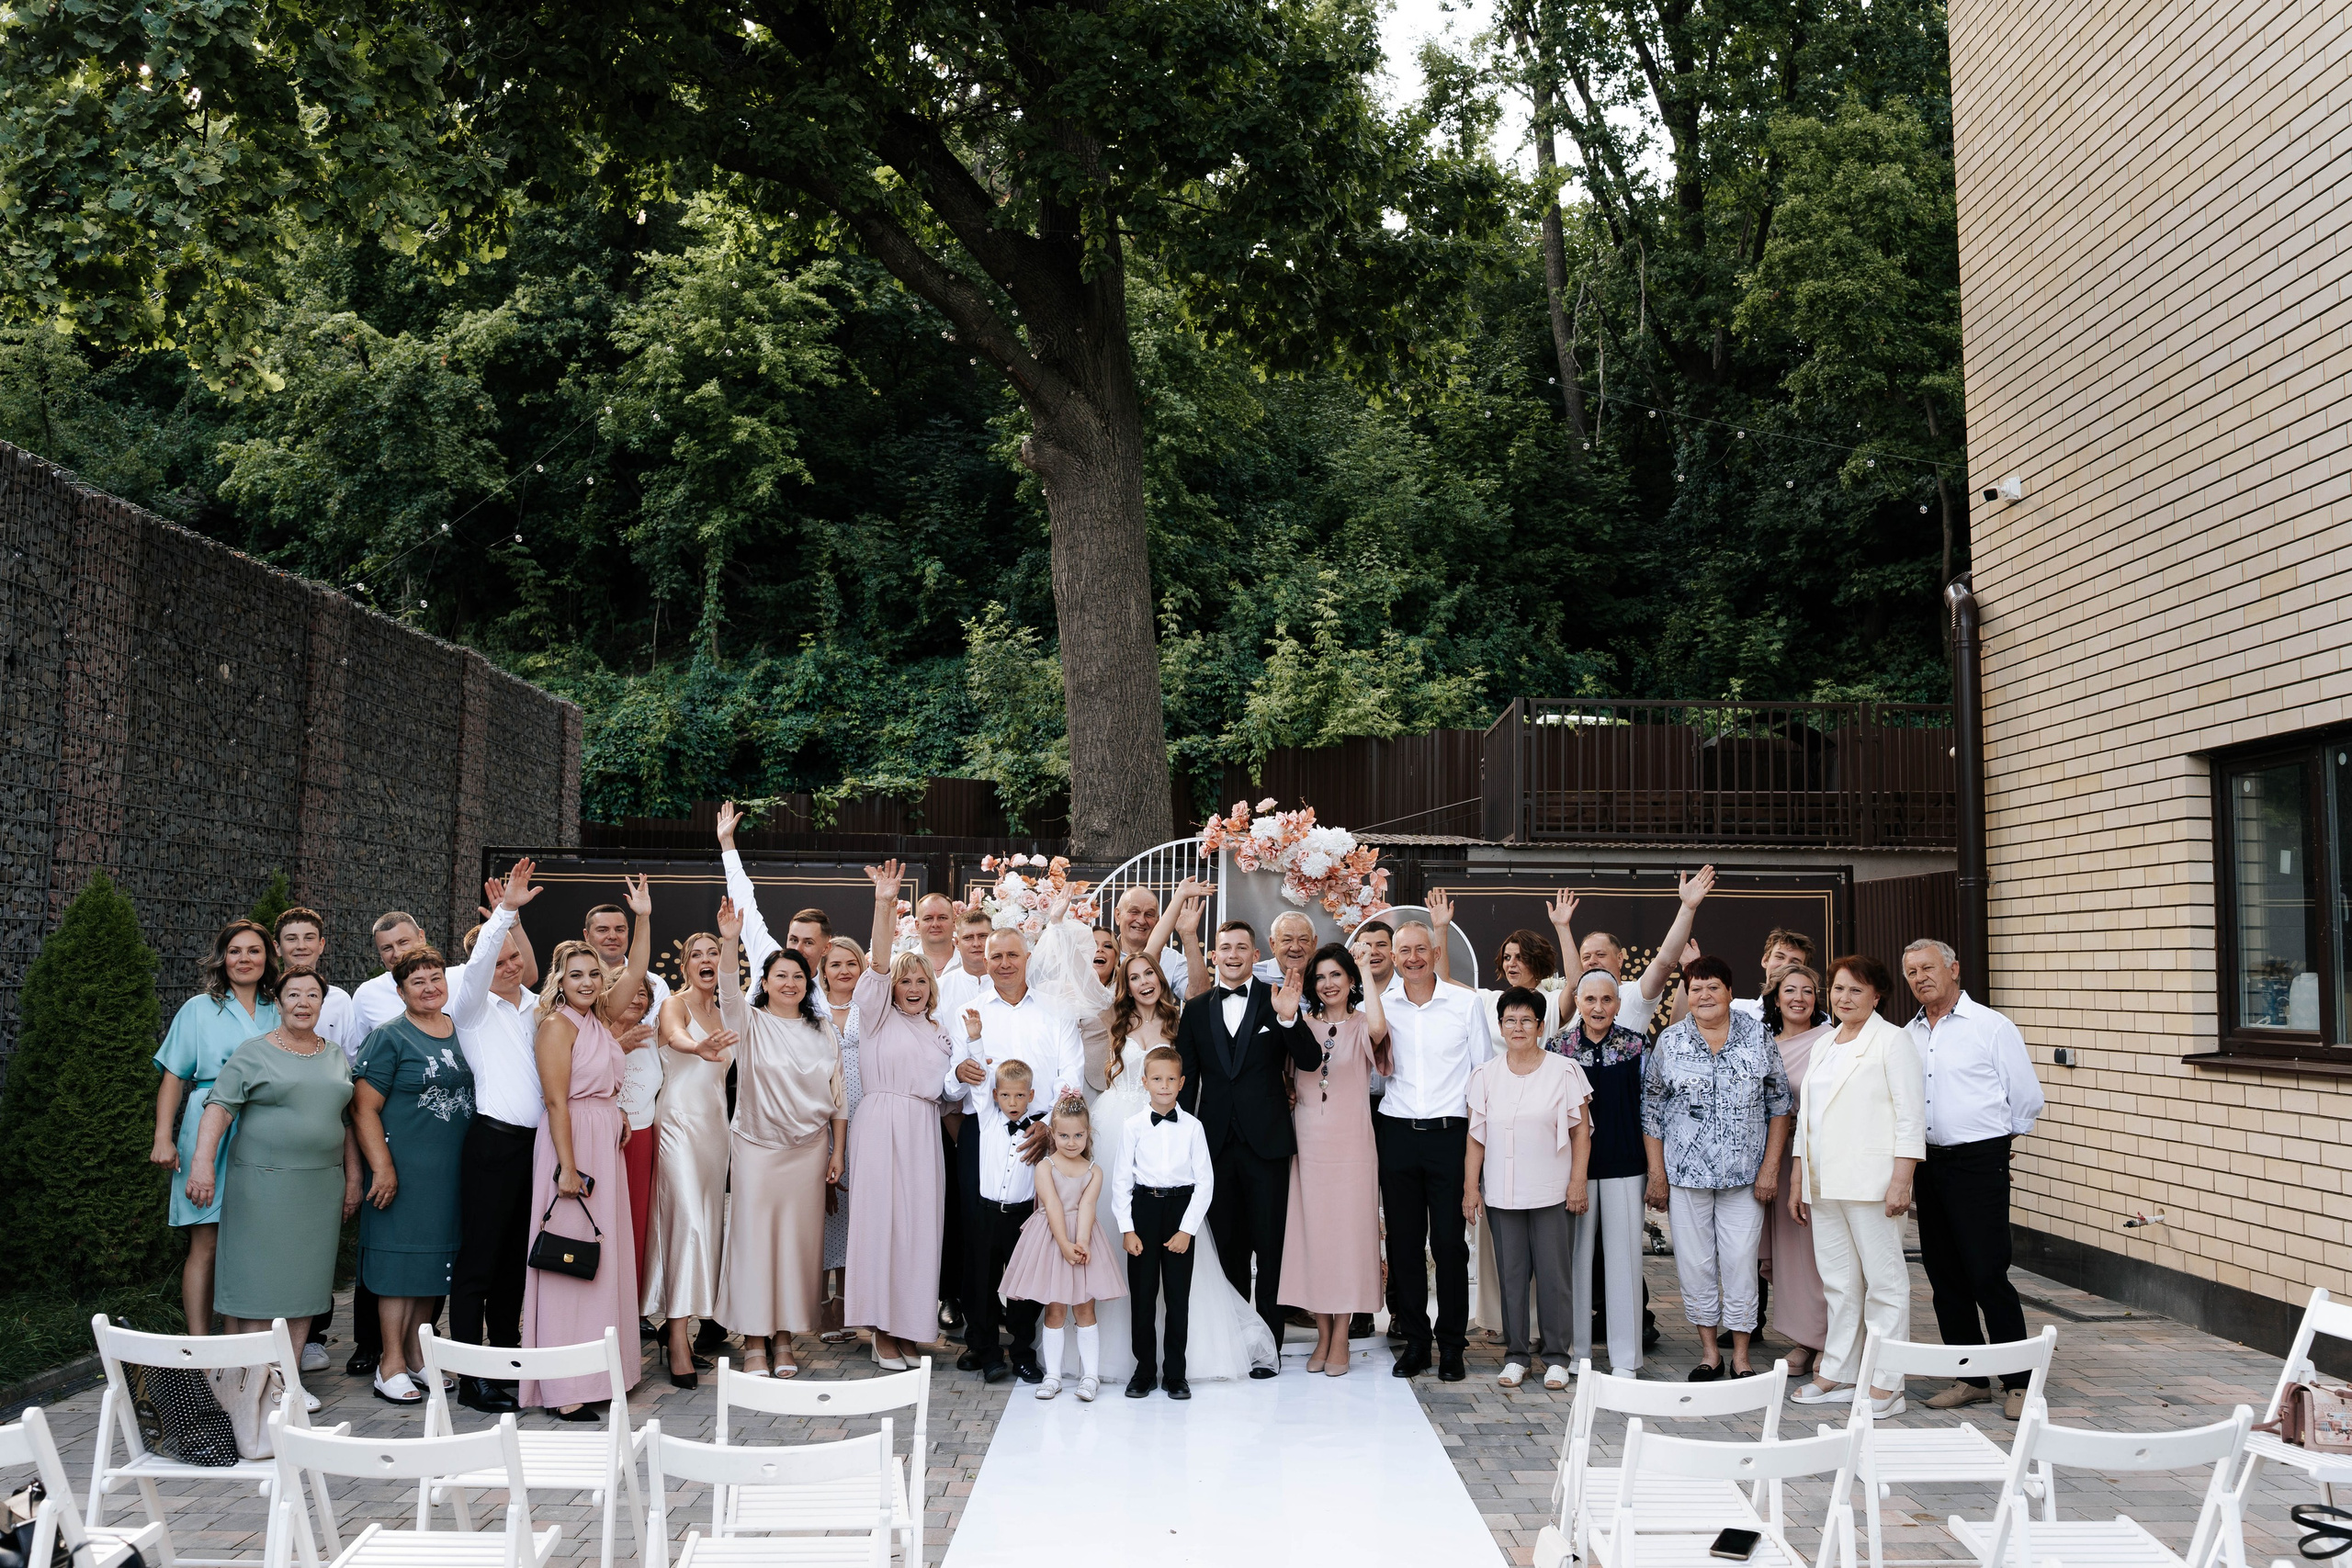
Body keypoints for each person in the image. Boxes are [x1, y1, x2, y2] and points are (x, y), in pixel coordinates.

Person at [1075, 945, 1274, 1384]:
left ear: (1161, 979)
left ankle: (1180, 1363)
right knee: (1117, 1233)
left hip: (1168, 1129)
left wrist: (1187, 933)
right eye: (1134, 977)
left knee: (1178, 1256)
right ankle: (1122, 1355)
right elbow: (1076, 988)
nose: (1144, 982)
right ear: (1124, 986)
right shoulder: (1114, 1019)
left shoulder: (1178, 1021)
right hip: (1118, 1124)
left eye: (1150, 973)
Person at [1900, 938, 2045, 1420]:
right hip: (1928, 1163)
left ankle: (2019, 1382)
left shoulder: (1991, 1027)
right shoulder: (1910, 1033)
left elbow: (2025, 1098)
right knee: (1944, 1275)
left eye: (1928, 968)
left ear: (1954, 969)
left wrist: (1995, 1145)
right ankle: (1971, 1378)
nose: (1920, 977)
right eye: (1911, 972)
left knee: (1987, 1272)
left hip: (1979, 1162)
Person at [523, 875, 651, 1416]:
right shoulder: (557, 1025)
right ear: (560, 979)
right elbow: (556, 1102)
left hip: (604, 1141)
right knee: (568, 1262)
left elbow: (639, 970)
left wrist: (643, 916)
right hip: (571, 1147)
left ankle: (602, 1374)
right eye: (574, 973)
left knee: (602, 1258)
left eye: (591, 973)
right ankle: (566, 1387)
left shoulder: (598, 1017)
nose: (584, 980)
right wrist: (567, 1169)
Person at [181, 968, 360, 1346]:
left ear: (322, 1005)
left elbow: (345, 1121)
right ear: (278, 1003)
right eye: (293, 995)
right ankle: (256, 1381)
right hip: (262, 1188)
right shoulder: (255, 1051)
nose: (303, 1003)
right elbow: (220, 1107)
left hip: (320, 1189)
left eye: (313, 995)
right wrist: (202, 1164)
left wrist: (354, 1178)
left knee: (306, 1288)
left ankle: (286, 1383)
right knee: (258, 1288)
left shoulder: (334, 1055)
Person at [1642, 953, 1792, 1380]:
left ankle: (1741, 1355)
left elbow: (1779, 1104)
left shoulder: (1757, 1036)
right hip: (1685, 1177)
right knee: (1695, 1263)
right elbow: (1651, 1110)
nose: (1704, 994)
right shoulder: (1670, 1042)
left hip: (1745, 1177)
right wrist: (1657, 1175)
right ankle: (1710, 1353)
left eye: (1712, 987)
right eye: (1695, 988)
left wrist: (1769, 1169)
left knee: (1741, 1261)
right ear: (1686, 995)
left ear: (1729, 992)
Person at [713, 901, 845, 1379]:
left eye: (798, 976)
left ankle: (785, 1339)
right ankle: (753, 1342)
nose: (789, 982)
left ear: (808, 983)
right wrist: (730, 941)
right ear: (765, 983)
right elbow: (728, 991)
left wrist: (838, 1153)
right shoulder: (747, 1024)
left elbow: (839, 1100)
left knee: (795, 1246)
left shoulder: (822, 1031)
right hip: (756, 1149)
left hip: (809, 1153)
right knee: (753, 1242)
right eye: (779, 976)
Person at [1790, 955, 1924, 1417]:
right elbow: (1807, 1116)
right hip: (1825, 1182)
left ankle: (1889, 1383)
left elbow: (1911, 1116)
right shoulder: (1826, 1042)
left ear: (1876, 996)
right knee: (1839, 1283)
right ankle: (1840, 1371)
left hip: (1873, 1184)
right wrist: (1799, 1177)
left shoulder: (1893, 1041)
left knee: (1885, 1283)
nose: (1843, 998)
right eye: (1838, 989)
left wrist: (1902, 1179)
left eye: (1855, 990)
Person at [1172, 919, 1307, 1371]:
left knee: (1270, 1250)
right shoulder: (1194, 1010)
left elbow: (1308, 1058)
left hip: (1267, 1144)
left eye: (1241, 947)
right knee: (1227, 1251)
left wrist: (1289, 1017)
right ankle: (1235, 1343)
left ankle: (1269, 1349)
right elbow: (1186, 1084)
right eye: (1224, 946)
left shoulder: (1277, 1002)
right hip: (1214, 1147)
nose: (1232, 954)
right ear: (1214, 955)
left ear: (1255, 955)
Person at [446, 862, 554, 1414]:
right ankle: (470, 1376)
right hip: (492, 1144)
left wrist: (515, 924)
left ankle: (507, 1365)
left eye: (516, 959)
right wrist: (505, 914)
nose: (510, 967)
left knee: (515, 1262)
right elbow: (485, 957)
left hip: (537, 1150)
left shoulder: (539, 1007)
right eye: (500, 960)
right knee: (479, 1263)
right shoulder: (470, 1007)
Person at [843, 861, 956, 1371]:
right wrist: (885, 904)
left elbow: (949, 1092)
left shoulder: (939, 1032)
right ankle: (881, 1331)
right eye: (904, 980)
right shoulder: (875, 1016)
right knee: (881, 1226)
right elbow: (881, 962)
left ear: (931, 987)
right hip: (880, 1125)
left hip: (923, 1131)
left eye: (920, 981)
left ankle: (911, 1327)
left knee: (919, 1229)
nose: (911, 986)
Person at [352, 949, 475, 1404]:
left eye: (435, 979)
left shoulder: (463, 1032)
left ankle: (418, 1357)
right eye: (417, 981)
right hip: (402, 1175)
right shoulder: (389, 1037)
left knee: (432, 1267)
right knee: (397, 1267)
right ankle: (390, 1364)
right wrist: (382, 1167)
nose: (429, 987)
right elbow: (363, 1107)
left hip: (451, 1174)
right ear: (401, 991)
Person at [153, 918, 280, 1335]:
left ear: (268, 957)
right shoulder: (199, 1008)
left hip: (264, 1128)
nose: (244, 959)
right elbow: (174, 1076)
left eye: (254, 950)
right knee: (205, 1243)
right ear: (222, 958)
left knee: (252, 1244)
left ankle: (240, 1345)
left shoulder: (279, 1007)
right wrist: (163, 1138)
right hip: (207, 1127)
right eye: (235, 951)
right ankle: (200, 1348)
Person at [1465, 987, 1593, 1391]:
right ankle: (1517, 1355)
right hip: (1502, 1193)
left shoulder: (1564, 1070)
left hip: (1553, 1191)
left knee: (1555, 1277)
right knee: (1512, 1275)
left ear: (1540, 1026)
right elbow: (1475, 1138)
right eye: (1509, 1020)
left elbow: (1581, 1133)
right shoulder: (1485, 1075)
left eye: (1526, 1020)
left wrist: (1577, 1182)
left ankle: (1557, 1356)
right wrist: (1472, 1187)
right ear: (1500, 1026)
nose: (1517, 1027)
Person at [1379, 920, 1487, 1382]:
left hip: (1449, 1134)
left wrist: (1474, 1164)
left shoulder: (1465, 1005)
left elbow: (1482, 1080)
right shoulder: (1380, 1006)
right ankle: (1416, 1343)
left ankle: (1452, 1347)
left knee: (1448, 1245)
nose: (1414, 958)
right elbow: (1369, 1076)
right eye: (1405, 951)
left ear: (1435, 951)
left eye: (1421, 949)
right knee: (1403, 1246)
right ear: (1395, 956)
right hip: (1397, 1132)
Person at [1276, 942, 1390, 1375]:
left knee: (1348, 1240)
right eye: (1320, 977)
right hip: (1308, 1146)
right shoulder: (1299, 1024)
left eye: (1336, 976)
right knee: (1314, 1240)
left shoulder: (1364, 1023)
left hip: (1354, 1148)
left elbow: (1379, 1029)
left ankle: (1341, 1334)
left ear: (1351, 981)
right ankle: (1322, 1334)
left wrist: (1365, 964)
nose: (1327, 984)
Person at [644, 929, 737, 1388]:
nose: (704, 959)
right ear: (684, 966)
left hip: (716, 1131)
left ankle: (687, 1326)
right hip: (678, 1123)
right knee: (688, 1225)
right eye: (695, 954)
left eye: (712, 953)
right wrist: (698, 1047)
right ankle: (677, 1338)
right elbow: (676, 1037)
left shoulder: (726, 1010)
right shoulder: (673, 1005)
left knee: (709, 1225)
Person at [344, 908, 431, 1375]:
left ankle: (419, 1351)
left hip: (438, 1143)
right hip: (391, 1135)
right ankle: (373, 1348)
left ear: (422, 936)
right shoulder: (371, 998)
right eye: (386, 949)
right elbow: (363, 1079)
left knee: (431, 1250)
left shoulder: (449, 988)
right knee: (386, 1246)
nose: (396, 953)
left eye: (403, 942)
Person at [1551, 970, 1649, 1377]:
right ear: (1577, 1001)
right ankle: (1577, 1353)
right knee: (1574, 1259)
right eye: (1589, 999)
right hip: (1572, 1167)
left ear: (1618, 1003)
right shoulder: (1559, 1047)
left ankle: (1626, 1358)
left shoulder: (1636, 1045)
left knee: (1624, 1260)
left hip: (1624, 1165)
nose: (1597, 1008)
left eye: (1606, 1000)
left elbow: (1650, 1106)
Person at [1001, 1093, 1127, 1403]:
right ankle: (1053, 1375)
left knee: (1085, 1307)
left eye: (1078, 1136)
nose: (1071, 1142)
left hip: (1082, 1239)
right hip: (1051, 1239)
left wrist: (1082, 1242)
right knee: (1054, 1308)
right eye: (1064, 1136)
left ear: (1088, 1134)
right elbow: (1052, 1204)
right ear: (1053, 1134)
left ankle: (1090, 1376)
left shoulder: (1094, 1171)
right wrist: (1064, 1244)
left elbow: (1087, 1206)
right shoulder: (1045, 1166)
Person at [1114, 1046, 1216, 1400]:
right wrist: (1127, 1228)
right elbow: (1121, 1180)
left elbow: (1205, 1182)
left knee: (1177, 1298)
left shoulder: (1193, 1127)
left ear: (1183, 1082)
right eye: (1157, 1079)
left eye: (1172, 1079)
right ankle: (1143, 1372)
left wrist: (1188, 1229)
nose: (1164, 1085)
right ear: (1144, 1082)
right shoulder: (1133, 1126)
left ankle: (1175, 1373)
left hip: (1180, 1211)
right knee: (1142, 1298)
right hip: (1144, 1210)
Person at [585, 901, 668, 1297]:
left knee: (635, 1224)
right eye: (626, 993)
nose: (634, 998)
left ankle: (630, 1306)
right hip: (598, 1137)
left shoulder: (655, 1037)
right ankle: (596, 1302)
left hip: (641, 1139)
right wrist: (618, 1044)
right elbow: (581, 1076)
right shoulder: (592, 1029)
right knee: (596, 1221)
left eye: (642, 994)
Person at [1758, 964, 1834, 1380]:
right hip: (1777, 1159)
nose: (1799, 998)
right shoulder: (1763, 1044)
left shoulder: (1831, 1040)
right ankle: (1805, 1340)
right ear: (1776, 997)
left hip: (1818, 1161)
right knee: (1790, 1258)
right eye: (1790, 990)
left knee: (1818, 1254)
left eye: (1808, 990)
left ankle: (1829, 1342)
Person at [1546, 866, 1716, 1036]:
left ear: (1620, 959)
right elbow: (1576, 984)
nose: (1592, 961)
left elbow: (1665, 963)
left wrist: (1687, 908)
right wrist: (1562, 927)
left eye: (1600, 954)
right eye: (1585, 957)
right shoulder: (1571, 1000)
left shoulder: (1635, 994)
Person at [960, 1056, 1046, 1382]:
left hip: (1022, 1218)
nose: (1013, 1102)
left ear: (1031, 1095)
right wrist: (975, 1037)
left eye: (1020, 1095)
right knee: (981, 1286)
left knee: (1023, 1291)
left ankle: (1023, 1354)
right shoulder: (986, 1118)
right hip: (986, 1215)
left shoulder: (1039, 1129)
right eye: (1006, 1095)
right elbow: (979, 1083)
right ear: (996, 1096)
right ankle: (988, 1353)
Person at [813, 933, 867, 1344]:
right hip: (820, 1116)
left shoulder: (874, 1008)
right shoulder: (810, 1009)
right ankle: (817, 1301)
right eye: (836, 964)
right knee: (822, 1211)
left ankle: (847, 1300)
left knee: (853, 1211)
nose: (844, 970)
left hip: (865, 1118)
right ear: (824, 971)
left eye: (852, 963)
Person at [272, 908, 361, 1059]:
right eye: (291, 939)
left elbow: (350, 1060)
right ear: (277, 947)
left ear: (321, 944)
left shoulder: (340, 1000)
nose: (301, 946)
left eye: (309, 938)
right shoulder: (265, 996)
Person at [1734, 930, 1816, 1021]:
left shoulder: (1820, 1021)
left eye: (1794, 962)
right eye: (1780, 957)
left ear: (1804, 970)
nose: (1785, 965)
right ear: (1765, 960)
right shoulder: (1737, 1009)